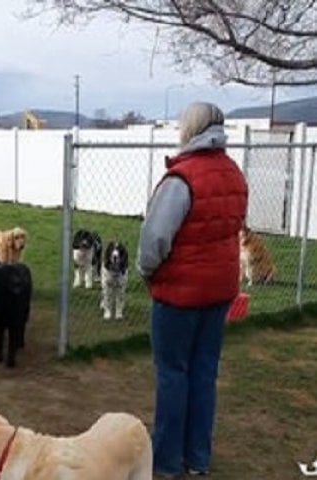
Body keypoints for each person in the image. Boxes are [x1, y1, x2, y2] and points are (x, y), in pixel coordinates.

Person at [137, 102, 248, 478]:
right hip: (219, 292)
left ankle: (166, 462)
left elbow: (154, 239)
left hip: (178, 295)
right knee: (203, 372)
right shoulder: (233, 173)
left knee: (172, 373)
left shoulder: (181, 179)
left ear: (191, 128)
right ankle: (197, 458)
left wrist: (146, 272)